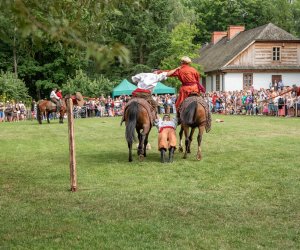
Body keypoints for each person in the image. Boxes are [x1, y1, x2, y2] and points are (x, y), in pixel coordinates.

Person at [161, 56, 205, 123]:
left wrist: (159, 72)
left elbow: (169, 73)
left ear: (182, 62)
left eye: (181, 61)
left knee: (179, 103)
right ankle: (205, 114)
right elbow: (197, 79)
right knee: (201, 101)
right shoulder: (194, 69)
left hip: (185, 89)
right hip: (195, 88)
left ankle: (178, 117)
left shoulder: (179, 70)